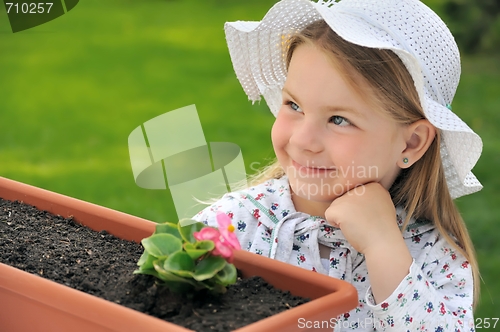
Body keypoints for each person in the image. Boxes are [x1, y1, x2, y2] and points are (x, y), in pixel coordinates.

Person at [192, 0, 482, 330]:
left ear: (412, 142)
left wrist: (384, 248)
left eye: (339, 119)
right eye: (294, 105)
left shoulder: (431, 256)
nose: (303, 140)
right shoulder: (235, 224)